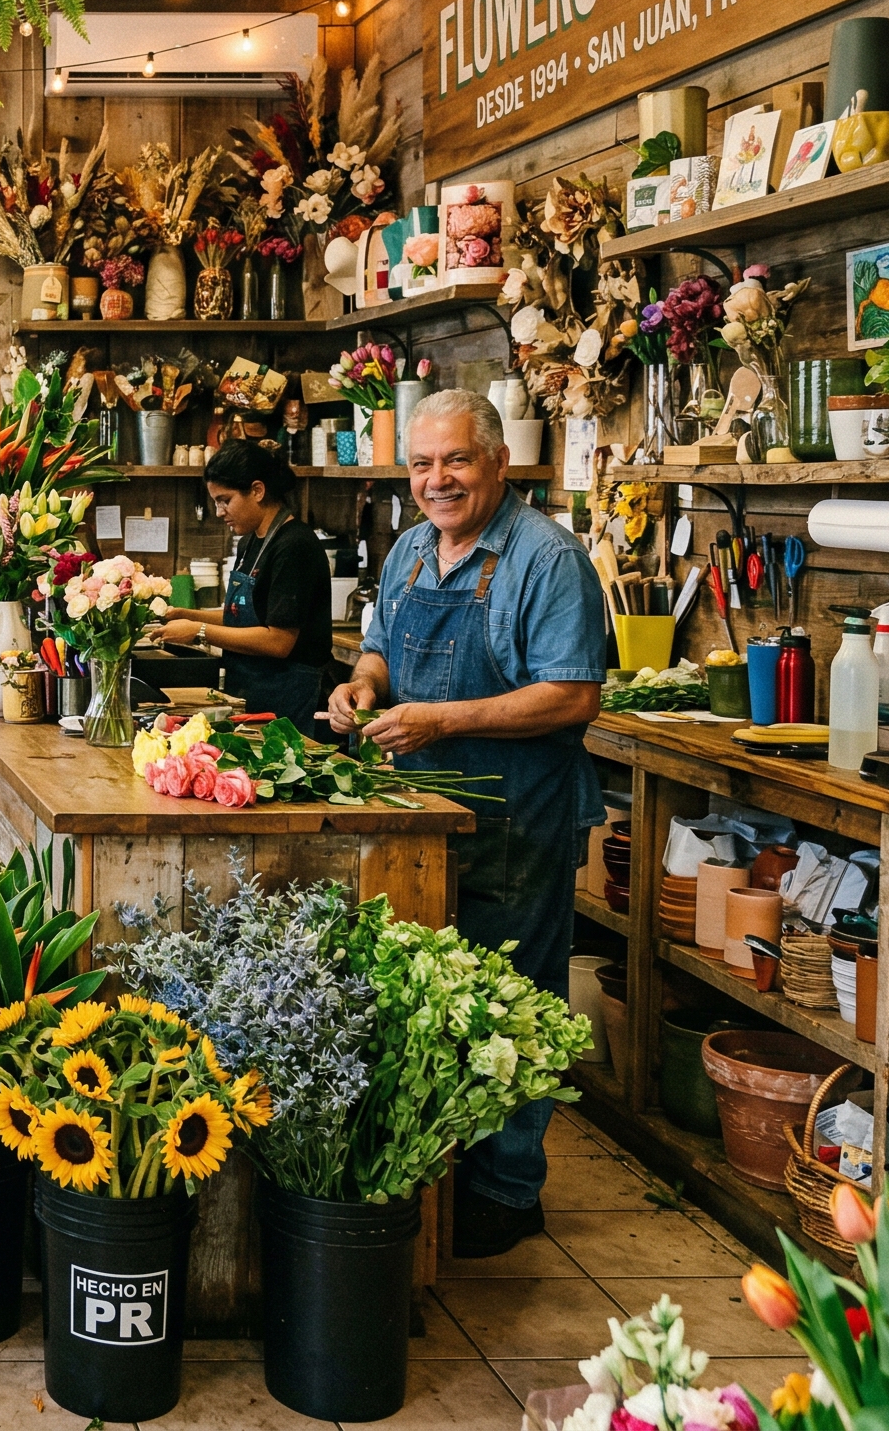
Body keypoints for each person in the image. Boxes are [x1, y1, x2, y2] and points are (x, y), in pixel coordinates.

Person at [323, 389, 606, 1258]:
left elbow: (573, 693)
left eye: (455, 461)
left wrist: (442, 719)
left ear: (498, 464)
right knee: (432, 997)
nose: (436, 480)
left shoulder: (548, 560)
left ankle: (509, 1191)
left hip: (516, 811)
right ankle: (443, 1167)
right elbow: (379, 645)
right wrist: (364, 685)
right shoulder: (410, 548)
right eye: (421, 464)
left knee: (514, 1002)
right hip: (418, 813)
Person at [155, 440, 331, 727]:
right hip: (250, 688)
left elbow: (278, 641)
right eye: (215, 502)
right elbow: (240, 617)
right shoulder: (250, 541)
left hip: (290, 695)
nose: (219, 511)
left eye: (225, 500)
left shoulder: (294, 545)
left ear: (257, 491)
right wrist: (185, 615)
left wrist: (198, 631)